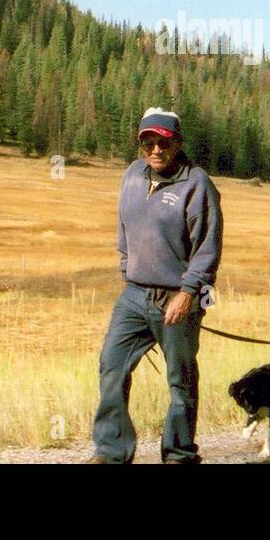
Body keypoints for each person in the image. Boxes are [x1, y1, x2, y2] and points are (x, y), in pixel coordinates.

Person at [88, 107, 223, 463]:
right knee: (112, 365)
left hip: (178, 298)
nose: (155, 150)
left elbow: (207, 247)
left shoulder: (197, 184)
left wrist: (188, 293)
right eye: (147, 142)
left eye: (163, 142)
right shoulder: (132, 175)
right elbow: (124, 229)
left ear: (176, 142)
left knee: (180, 379)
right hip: (134, 294)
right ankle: (112, 452)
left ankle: (179, 453)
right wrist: (126, 267)